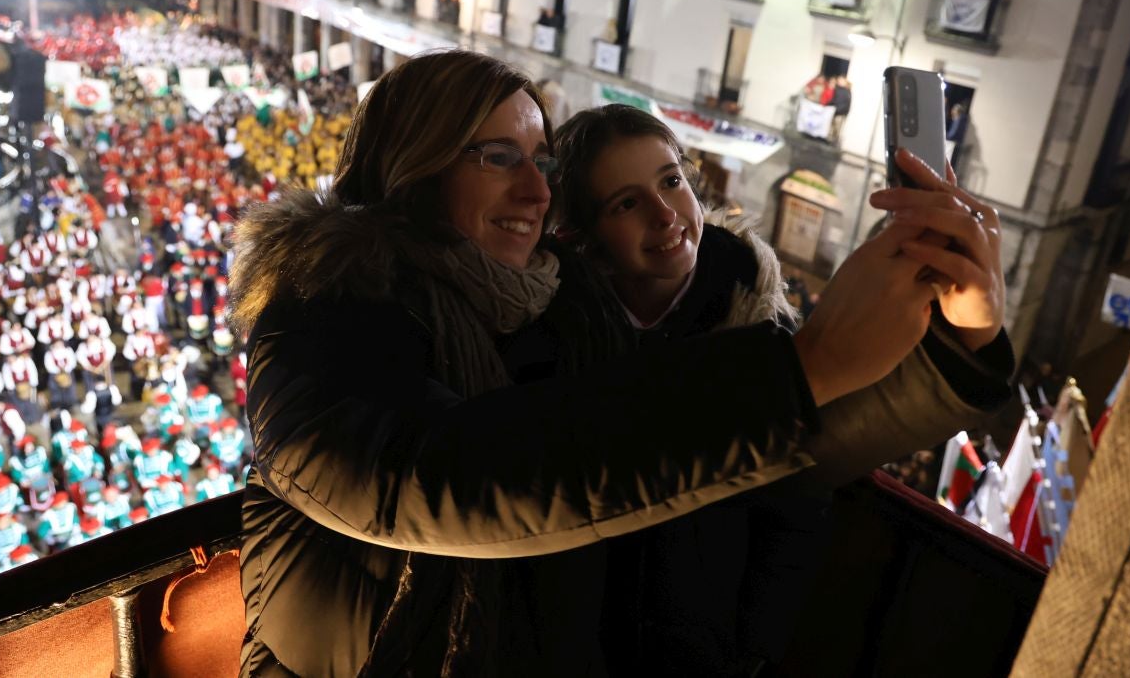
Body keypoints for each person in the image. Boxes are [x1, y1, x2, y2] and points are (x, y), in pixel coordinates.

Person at [229, 50, 983, 676]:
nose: (535, 190)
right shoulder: (317, 313)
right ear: (411, 165)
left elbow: (738, 450)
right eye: (499, 158)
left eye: (542, 162)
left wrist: (958, 341)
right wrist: (803, 368)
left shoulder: (568, 311)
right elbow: (453, 473)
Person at [551, 103, 1013, 671]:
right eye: (626, 203)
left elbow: (795, 506)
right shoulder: (563, 344)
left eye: (671, 181)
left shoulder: (758, 331)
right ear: (587, 238)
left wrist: (971, 335)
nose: (666, 213)